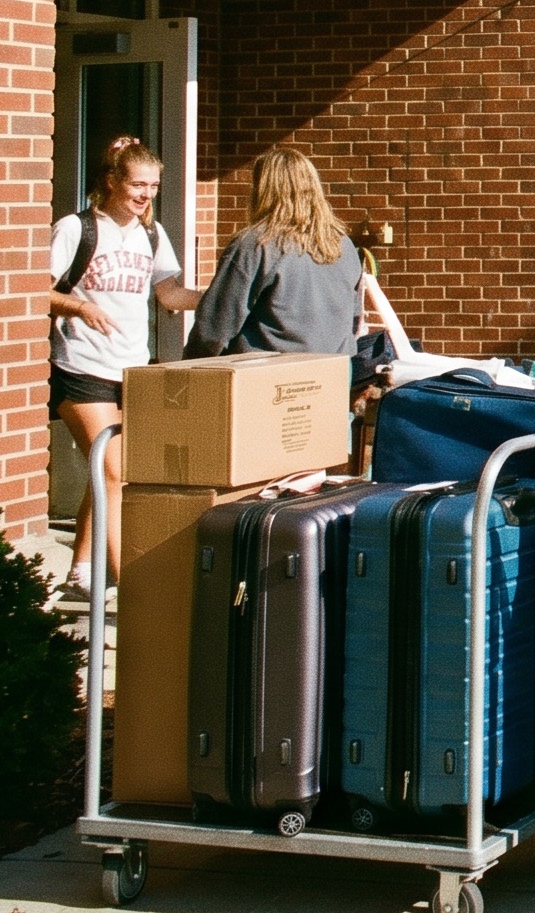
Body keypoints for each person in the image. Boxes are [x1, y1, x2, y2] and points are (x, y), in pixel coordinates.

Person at [47, 136, 203, 601]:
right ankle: (132, 591)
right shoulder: (76, 229)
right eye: (138, 184)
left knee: (105, 474)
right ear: (112, 181)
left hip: (133, 369)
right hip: (82, 366)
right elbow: (33, 291)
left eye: (153, 186)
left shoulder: (150, 235)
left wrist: (227, 295)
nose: (146, 195)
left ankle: (80, 573)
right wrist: (78, 307)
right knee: (114, 473)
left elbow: (171, 296)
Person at [189, 147, 365, 359]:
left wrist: (184, 377)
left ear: (263, 189)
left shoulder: (256, 243)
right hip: (331, 374)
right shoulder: (343, 245)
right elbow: (353, 320)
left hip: (270, 378)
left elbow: (215, 325)